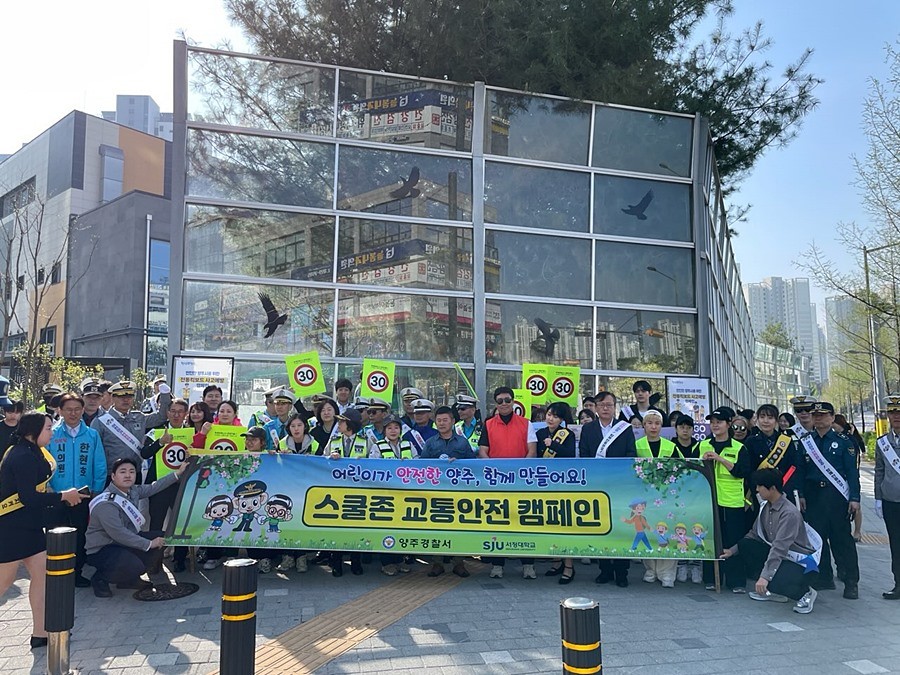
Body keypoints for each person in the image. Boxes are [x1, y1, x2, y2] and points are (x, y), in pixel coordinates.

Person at [0, 411, 88, 648]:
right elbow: (28, 497)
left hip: (30, 526)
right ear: (33, 431)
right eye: (48, 428)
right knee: (4, 582)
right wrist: (62, 497)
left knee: (43, 577)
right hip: (11, 527)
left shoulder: (34, 451)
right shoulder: (21, 456)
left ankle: (41, 632)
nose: (51, 433)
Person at [85, 456, 188, 597]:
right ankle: (100, 578)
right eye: (123, 472)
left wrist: (178, 473)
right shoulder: (106, 503)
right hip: (104, 548)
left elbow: (154, 487)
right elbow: (119, 534)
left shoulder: (132, 491)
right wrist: (149, 544)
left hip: (123, 543)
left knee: (164, 538)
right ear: (113, 476)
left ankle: (128, 580)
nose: (128, 475)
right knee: (135, 564)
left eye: (131, 471)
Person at [722, 468, 820, 615]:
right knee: (746, 546)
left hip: (801, 563)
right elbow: (754, 534)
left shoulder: (789, 513)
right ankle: (774, 591)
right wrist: (732, 551)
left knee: (776, 575)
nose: (757, 490)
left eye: (760, 486)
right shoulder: (765, 507)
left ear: (772, 488)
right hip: (782, 557)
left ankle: (806, 593)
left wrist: (764, 577)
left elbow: (780, 547)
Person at [800, 401, 860, 599]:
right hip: (814, 497)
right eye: (815, 415)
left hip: (836, 497)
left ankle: (851, 581)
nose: (819, 418)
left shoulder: (844, 442)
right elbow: (800, 471)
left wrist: (854, 498)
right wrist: (800, 495)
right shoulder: (806, 441)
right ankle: (823, 577)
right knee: (816, 539)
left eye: (823, 415)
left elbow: (852, 472)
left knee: (842, 540)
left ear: (832, 418)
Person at [46, 393, 107, 586]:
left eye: (77, 409)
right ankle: (55, 573)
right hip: (56, 495)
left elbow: (99, 464)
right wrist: (48, 488)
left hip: (83, 494)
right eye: (68, 409)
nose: (73, 413)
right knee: (55, 534)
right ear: (60, 411)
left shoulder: (92, 435)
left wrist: (97, 488)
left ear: (82, 410)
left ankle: (76, 572)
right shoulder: (52, 434)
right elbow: (45, 463)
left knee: (80, 534)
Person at [478, 386, 538, 579]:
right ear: (495, 404)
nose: (504, 404)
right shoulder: (488, 424)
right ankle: (497, 565)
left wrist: (520, 473)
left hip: (521, 482)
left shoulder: (526, 423)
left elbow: (532, 451)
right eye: (499, 401)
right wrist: (494, 471)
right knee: (498, 522)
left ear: (513, 402)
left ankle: (528, 564)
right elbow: (483, 451)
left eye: (507, 400)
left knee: (524, 522)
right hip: (496, 483)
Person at [579, 391, 637, 587]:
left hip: (619, 486)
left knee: (621, 527)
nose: (605, 408)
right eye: (601, 405)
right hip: (597, 486)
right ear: (595, 408)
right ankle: (604, 570)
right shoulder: (588, 429)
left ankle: (621, 572)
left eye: (609, 405)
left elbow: (630, 454)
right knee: (601, 527)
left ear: (614, 407)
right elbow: (585, 455)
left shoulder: (624, 428)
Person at [699, 406, 752, 592]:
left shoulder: (739, 447)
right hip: (709, 500)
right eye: (712, 422)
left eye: (719, 422)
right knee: (711, 539)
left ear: (729, 424)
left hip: (732, 500)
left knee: (733, 540)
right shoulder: (703, 445)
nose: (715, 425)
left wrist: (720, 459)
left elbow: (743, 472)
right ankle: (711, 578)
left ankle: (736, 581)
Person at [420, 406, 476, 578]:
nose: (442, 423)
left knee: (458, 527)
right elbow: (422, 466)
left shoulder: (462, 442)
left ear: (452, 421)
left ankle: (458, 563)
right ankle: (437, 563)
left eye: (445, 420)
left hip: (458, 492)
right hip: (435, 493)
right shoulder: (430, 443)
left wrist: (458, 463)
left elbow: (473, 465)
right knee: (436, 526)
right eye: (439, 420)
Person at [140, 398, 190, 572]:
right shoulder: (156, 431)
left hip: (182, 484)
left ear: (185, 414)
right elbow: (144, 453)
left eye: (180, 412)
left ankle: (180, 559)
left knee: (181, 522)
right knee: (156, 522)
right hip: (159, 484)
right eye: (173, 411)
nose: (176, 415)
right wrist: (160, 443)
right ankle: (155, 560)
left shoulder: (191, 433)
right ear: (167, 413)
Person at [91, 380, 171, 481]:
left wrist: (165, 395)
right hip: (110, 475)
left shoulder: (139, 417)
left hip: (135, 473)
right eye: (121, 396)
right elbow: (93, 450)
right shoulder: (101, 421)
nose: (126, 400)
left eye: (129, 396)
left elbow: (161, 417)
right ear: (113, 398)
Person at [634, 409, 678, 587]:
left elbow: (680, 469)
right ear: (644, 425)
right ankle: (650, 569)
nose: (653, 427)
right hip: (644, 497)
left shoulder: (670, 446)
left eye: (657, 423)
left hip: (666, 496)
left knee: (666, 531)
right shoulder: (636, 445)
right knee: (647, 530)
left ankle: (667, 572)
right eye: (650, 423)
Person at [743, 404, 804, 529]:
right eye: (762, 417)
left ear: (776, 421)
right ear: (757, 419)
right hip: (760, 492)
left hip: (783, 491)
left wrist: (780, 486)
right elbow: (749, 469)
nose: (765, 421)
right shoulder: (751, 441)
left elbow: (793, 467)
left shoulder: (786, 441)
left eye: (770, 418)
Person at [537, 402, 577, 584]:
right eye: (549, 414)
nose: (550, 418)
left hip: (562, 485)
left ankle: (569, 566)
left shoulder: (567, 434)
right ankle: (556, 562)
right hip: (544, 484)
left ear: (562, 419)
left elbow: (570, 455)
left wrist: (553, 445)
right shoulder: (540, 433)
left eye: (555, 416)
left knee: (564, 525)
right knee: (549, 523)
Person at [328, 409, 366, 576]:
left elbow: (376, 462)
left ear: (350, 424)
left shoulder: (366, 441)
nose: (338, 424)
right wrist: (330, 457)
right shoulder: (334, 441)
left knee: (356, 527)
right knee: (336, 528)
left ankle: (356, 561)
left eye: (341, 421)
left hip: (358, 491)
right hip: (336, 491)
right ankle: (336, 562)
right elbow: (321, 460)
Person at [875, 395, 900, 600]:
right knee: (896, 544)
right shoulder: (883, 442)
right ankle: (898, 583)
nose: (896, 416)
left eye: (899, 412)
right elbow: (879, 471)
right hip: (891, 501)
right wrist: (878, 498)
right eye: (892, 412)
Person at [834, 414, 865, 541]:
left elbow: (857, 455)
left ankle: (857, 531)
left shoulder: (848, 439)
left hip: (850, 475)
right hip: (837, 477)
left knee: (855, 505)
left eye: (834, 425)